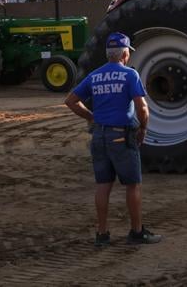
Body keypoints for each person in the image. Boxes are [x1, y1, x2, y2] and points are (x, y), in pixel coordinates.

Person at [64, 32, 161, 247]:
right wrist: (143, 127)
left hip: (99, 135)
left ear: (109, 54)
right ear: (125, 54)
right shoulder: (130, 75)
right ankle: (136, 232)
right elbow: (142, 107)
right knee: (133, 185)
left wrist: (92, 117)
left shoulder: (94, 75)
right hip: (121, 136)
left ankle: (102, 234)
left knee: (103, 185)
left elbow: (70, 101)